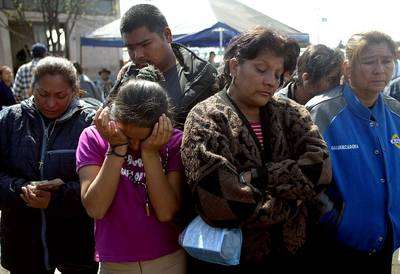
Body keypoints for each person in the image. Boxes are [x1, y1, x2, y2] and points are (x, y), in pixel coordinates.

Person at [181, 27, 331, 274]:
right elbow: (221, 203)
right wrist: (293, 204)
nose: (271, 81)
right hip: (232, 258)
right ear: (233, 66)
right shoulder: (206, 118)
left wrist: (258, 176)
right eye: (261, 69)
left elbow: (321, 170)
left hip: (293, 254)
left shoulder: (292, 112)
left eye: (278, 74)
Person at [306, 31, 400, 274]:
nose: (379, 70)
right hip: (336, 246)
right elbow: (304, 182)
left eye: (387, 61)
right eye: (369, 62)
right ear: (347, 68)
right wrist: (336, 222)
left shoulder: (395, 112)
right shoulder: (320, 113)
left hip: (385, 239)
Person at [77, 66, 186, 274]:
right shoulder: (93, 137)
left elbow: (166, 212)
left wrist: (151, 154)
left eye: (143, 138)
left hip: (167, 258)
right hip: (114, 261)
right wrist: (116, 148)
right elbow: (95, 208)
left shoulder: (173, 141)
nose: (135, 146)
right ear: (114, 120)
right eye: (128, 137)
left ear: (161, 123)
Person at [0, 56, 98, 274]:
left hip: (77, 242)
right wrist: (20, 189)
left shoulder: (89, 124)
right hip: (22, 243)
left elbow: (102, 184)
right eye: (43, 94)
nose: (51, 103)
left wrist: (59, 196)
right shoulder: (9, 120)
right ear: (32, 88)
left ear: (74, 91)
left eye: (60, 95)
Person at [107, 4, 218, 129]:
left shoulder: (203, 76)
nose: (138, 55)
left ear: (167, 35)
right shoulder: (127, 75)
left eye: (145, 44)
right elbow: (105, 119)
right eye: (130, 48)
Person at [276, 44, 343, 105]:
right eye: (331, 79)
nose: (338, 85)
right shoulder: (278, 106)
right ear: (306, 78)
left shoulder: (334, 105)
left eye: (339, 78)